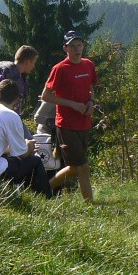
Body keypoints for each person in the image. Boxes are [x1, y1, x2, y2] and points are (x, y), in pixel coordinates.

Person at [41, 30, 98, 203]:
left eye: (79, 45)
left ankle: (43, 189)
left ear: (83, 46)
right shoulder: (59, 69)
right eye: (72, 46)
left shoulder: (88, 65)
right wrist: (72, 104)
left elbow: (91, 88)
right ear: (65, 48)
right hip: (66, 125)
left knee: (74, 168)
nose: (77, 49)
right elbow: (46, 96)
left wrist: (91, 102)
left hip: (84, 123)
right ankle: (90, 205)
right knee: (83, 167)